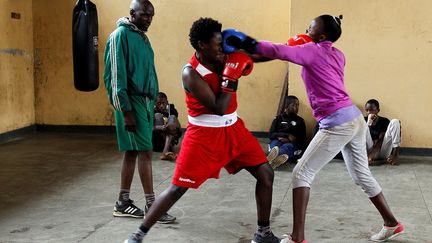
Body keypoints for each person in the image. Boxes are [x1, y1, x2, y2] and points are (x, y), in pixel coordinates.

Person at [223, 14, 404, 243]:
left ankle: (298, 237)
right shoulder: (338, 54)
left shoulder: (312, 51)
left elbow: (277, 50)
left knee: (301, 173)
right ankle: (391, 223)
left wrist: (245, 43)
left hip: (337, 122)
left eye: (311, 26)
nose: (306, 28)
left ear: (322, 35)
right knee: (361, 176)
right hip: (354, 120)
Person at [124, 17, 281, 243]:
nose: (222, 50)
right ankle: (137, 236)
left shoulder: (223, 55)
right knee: (178, 188)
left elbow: (263, 55)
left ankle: (262, 233)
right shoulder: (190, 73)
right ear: (201, 45)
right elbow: (218, 107)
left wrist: (248, 44)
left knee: (266, 174)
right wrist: (230, 77)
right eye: (218, 45)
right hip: (203, 136)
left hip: (234, 129)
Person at [103, 0, 175, 223]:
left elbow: (148, 72)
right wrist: (125, 111)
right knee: (144, 152)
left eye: (152, 16)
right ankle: (153, 206)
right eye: (145, 15)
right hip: (130, 103)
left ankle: (123, 203)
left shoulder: (142, 38)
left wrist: (152, 100)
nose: (149, 20)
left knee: (132, 152)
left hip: (144, 103)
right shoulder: (119, 36)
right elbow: (115, 78)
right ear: (132, 13)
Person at [267, 95, 306, 169]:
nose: (296, 108)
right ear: (286, 106)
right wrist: (286, 135)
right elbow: (271, 134)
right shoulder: (278, 118)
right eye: (293, 105)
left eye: (297, 105)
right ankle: (274, 160)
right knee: (275, 145)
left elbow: (302, 138)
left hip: (292, 144)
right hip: (278, 140)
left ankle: (271, 160)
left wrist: (289, 140)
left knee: (287, 147)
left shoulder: (300, 121)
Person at [365, 99, 401, 165]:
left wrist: (372, 154)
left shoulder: (384, 121)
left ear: (378, 110)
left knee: (395, 121)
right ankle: (367, 158)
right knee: (363, 128)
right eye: (367, 110)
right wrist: (369, 123)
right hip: (367, 150)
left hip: (382, 151)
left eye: (371, 110)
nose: (369, 112)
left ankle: (395, 153)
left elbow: (382, 139)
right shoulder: (364, 120)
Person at [152, 92, 182, 161]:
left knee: (173, 118)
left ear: (167, 103)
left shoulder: (172, 109)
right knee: (158, 116)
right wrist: (161, 127)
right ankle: (166, 151)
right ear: (155, 103)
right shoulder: (151, 110)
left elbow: (176, 126)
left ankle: (165, 151)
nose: (161, 106)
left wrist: (167, 126)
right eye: (159, 103)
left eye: (163, 103)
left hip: (171, 140)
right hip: (157, 142)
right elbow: (148, 129)